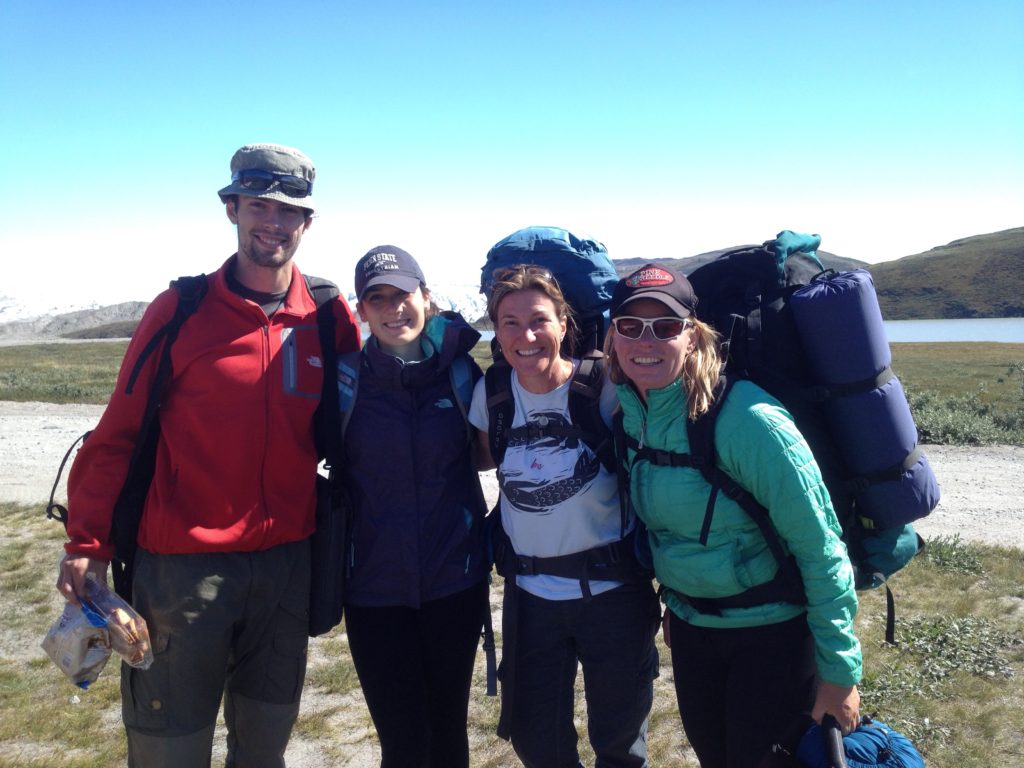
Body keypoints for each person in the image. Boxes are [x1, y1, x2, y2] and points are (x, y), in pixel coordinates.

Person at [55, 143, 361, 768]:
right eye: (258, 206)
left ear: (307, 224)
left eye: (288, 211)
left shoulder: (328, 318)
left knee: (265, 747)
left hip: (287, 566)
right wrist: (87, 543)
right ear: (232, 210)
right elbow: (118, 434)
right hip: (182, 571)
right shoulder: (181, 311)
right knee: (172, 750)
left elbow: (366, 420)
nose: (272, 223)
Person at [604, 263, 862, 768]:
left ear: (694, 336)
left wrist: (840, 672)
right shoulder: (631, 417)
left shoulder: (748, 419)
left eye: (666, 326)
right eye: (630, 326)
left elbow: (821, 546)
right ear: (612, 337)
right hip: (695, 631)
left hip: (773, 638)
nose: (646, 340)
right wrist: (680, 602)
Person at [469, 265, 660, 768]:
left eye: (539, 320)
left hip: (614, 595)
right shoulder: (493, 396)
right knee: (539, 744)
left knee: (619, 744)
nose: (525, 336)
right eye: (509, 322)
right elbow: (480, 459)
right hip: (530, 600)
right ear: (495, 328)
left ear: (563, 323)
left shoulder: (603, 388)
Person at [340, 245, 490, 768]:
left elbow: (490, 459)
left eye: (401, 294)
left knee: (448, 729)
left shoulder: (462, 373)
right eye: (375, 298)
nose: (391, 308)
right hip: (373, 589)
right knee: (402, 741)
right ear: (361, 310)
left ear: (426, 297)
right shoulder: (343, 380)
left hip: (456, 579)